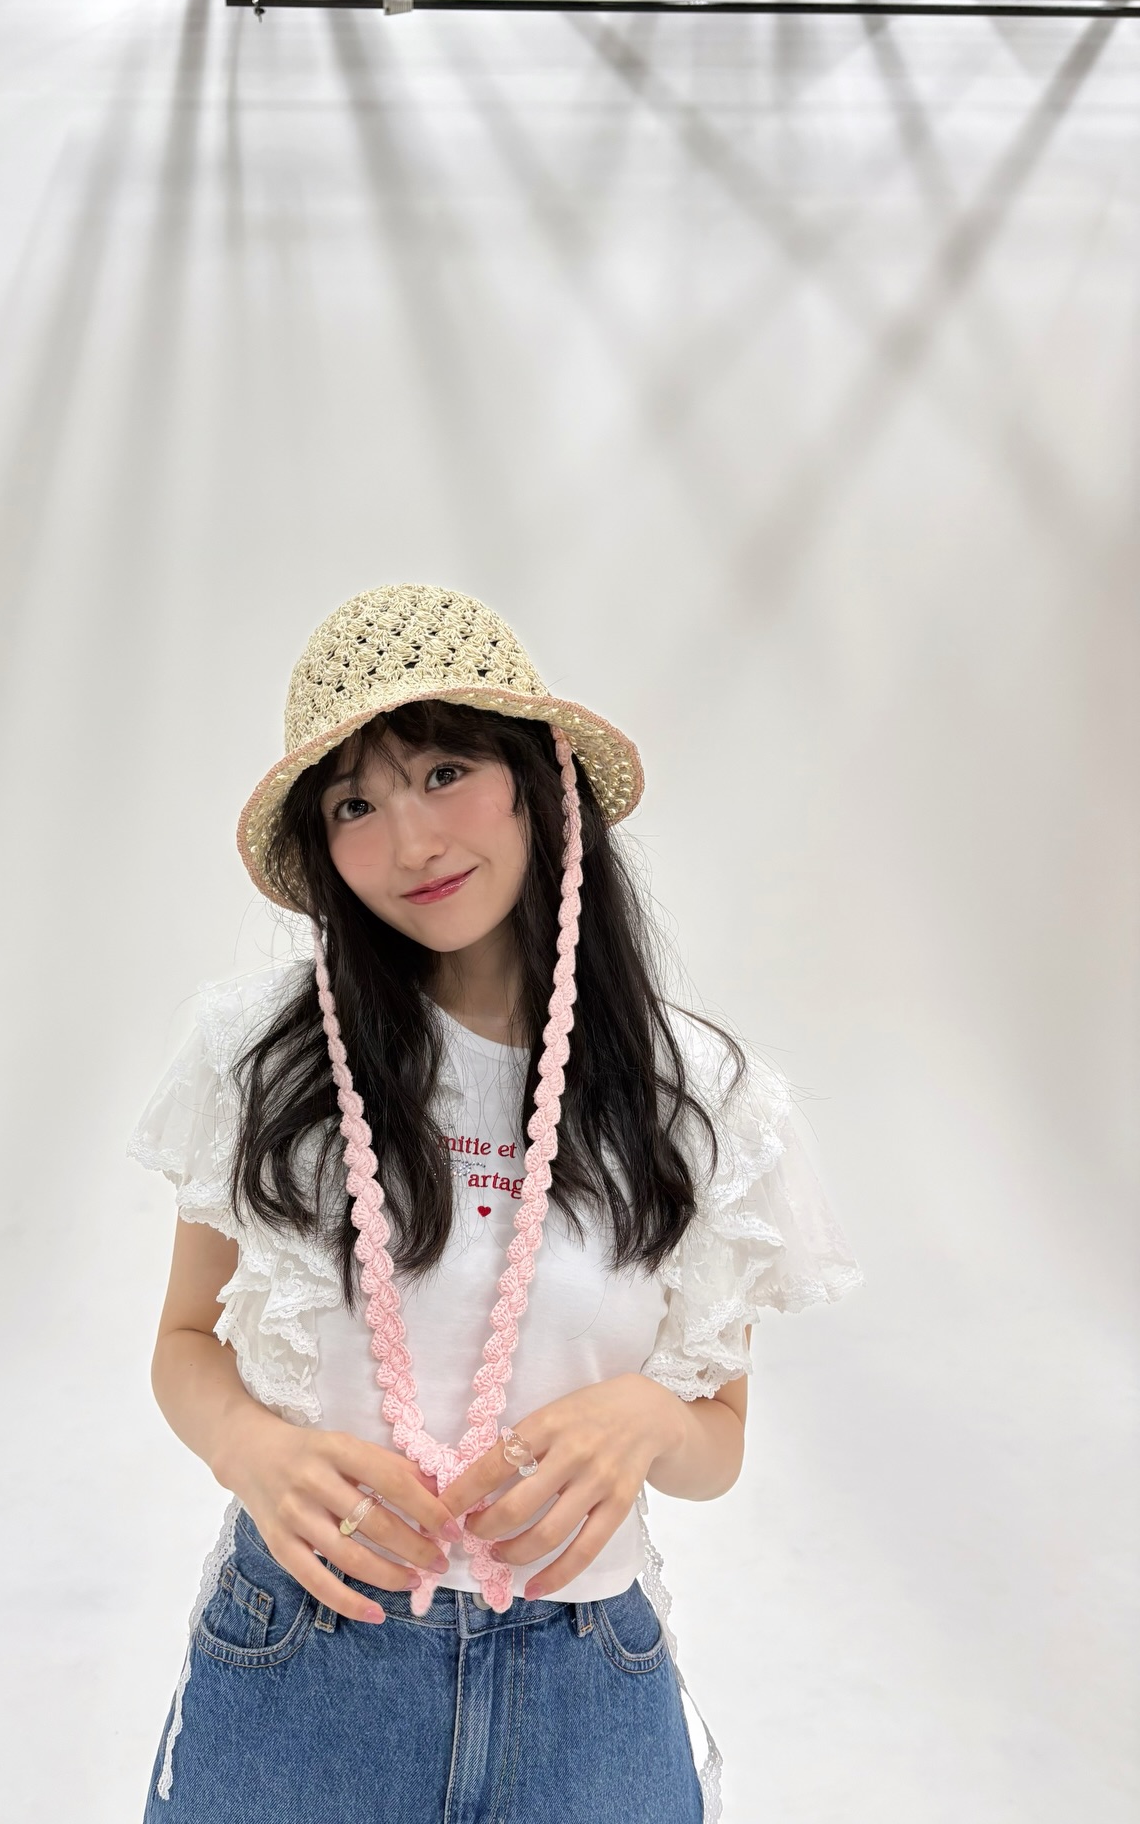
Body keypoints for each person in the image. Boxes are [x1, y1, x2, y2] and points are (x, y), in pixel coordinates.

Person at [129, 584, 862, 1823]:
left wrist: (649, 1415)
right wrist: (251, 1449)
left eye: (445, 772)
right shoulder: (260, 1058)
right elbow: (185, 1340)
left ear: (537, 782)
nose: (411, 841)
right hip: (306, 1665)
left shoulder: (704, 1101)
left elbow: (718, 1441)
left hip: (585, 1688)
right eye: (355, 804)